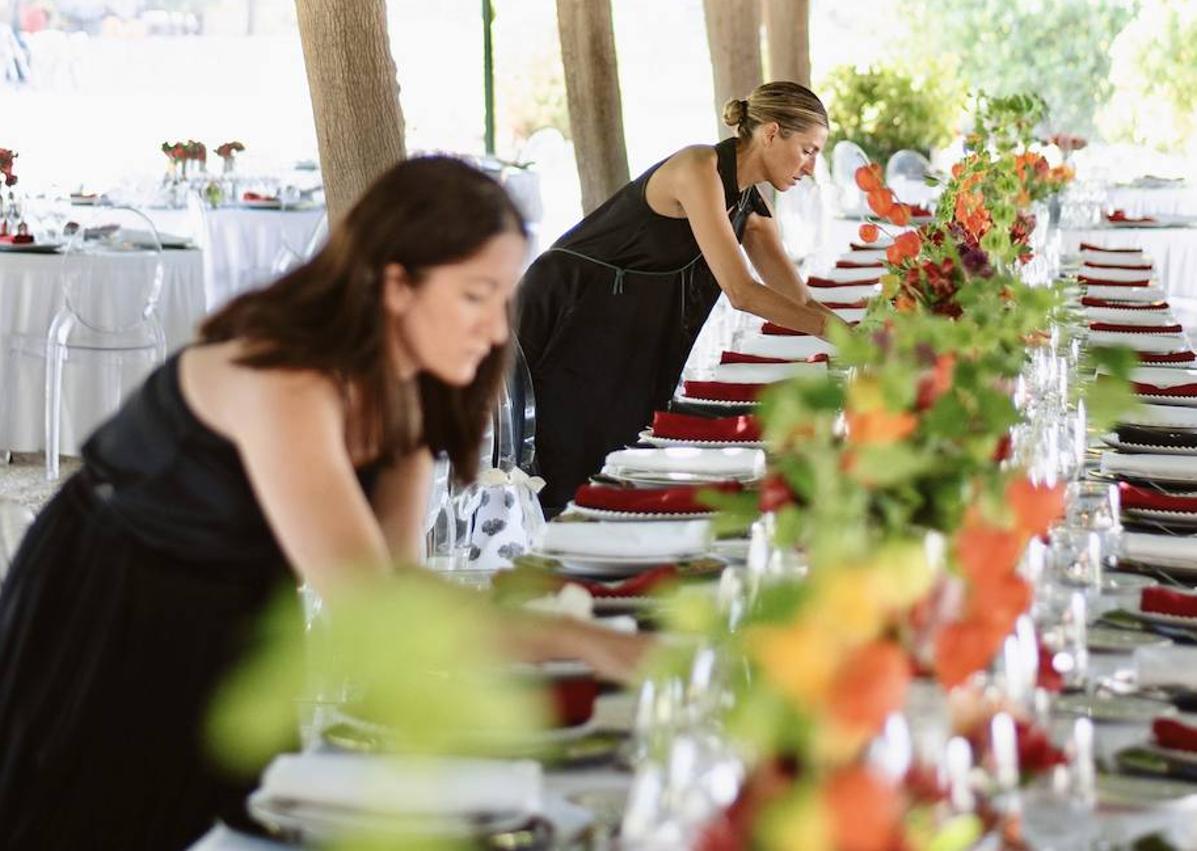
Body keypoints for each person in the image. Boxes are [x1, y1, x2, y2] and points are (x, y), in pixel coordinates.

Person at [0, 157, 650, 850]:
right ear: (397, 285)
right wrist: (590, 643)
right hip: (108, 611)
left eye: (503, 299)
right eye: (475, 296)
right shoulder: (287, 381)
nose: (496, 331)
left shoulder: (407, 394)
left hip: (235, 622)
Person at [517, 81, 845, 514]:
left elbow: (797, 300)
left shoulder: (750, 205)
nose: (810, 166)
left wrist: (862, 336)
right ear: (770, 133)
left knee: (614, 464)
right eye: (808, 149)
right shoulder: (697, 168)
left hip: (621, 332)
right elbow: (742, 291)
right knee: (562, 467)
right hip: (570, 313)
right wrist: (836, 333)